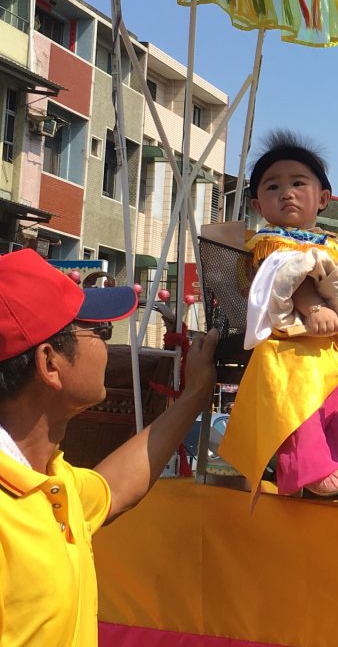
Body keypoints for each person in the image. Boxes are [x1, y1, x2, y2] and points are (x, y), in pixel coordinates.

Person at [0, 248, 219, 646]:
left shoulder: (46, 478)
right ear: (50, 364)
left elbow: (114, 488)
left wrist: (195, 395)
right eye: (100, 332)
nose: (107, 345)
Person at [218, 131, 338, 497]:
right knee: (309, 390)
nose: (286, 192)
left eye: (297, 183)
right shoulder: (269, 241)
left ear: (322, 197)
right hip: (296, 339)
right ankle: (310, 464)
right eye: (273, 186)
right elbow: (290, 275)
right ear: (258, 204)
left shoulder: (337, 243)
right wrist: (314, 307)